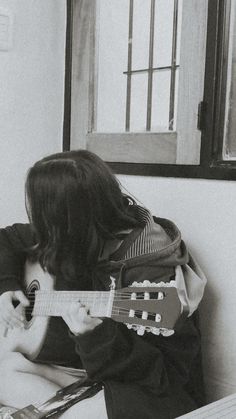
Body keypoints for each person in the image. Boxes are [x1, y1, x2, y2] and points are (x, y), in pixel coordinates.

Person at [0, 150, 207, 419]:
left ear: (70, 219)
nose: (42, 228)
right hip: (94, 374)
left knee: (80, 414)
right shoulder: (85, 234)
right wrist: (6, 286)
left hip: (152, 392)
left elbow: (163, 377)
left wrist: (94, 337)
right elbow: (6, 238)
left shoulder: (153, 274)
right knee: (4, 370)